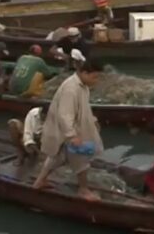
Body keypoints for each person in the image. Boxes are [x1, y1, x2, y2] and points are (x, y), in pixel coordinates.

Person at [33, 59, 105, 201]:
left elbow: (83, 108)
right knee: (81, 159)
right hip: (66, 129)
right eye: (94, 77)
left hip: (69, 128)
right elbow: (65, 115)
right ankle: (83, 190)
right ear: (84, 73)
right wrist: (72, 135)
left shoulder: (82, 86)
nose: (96, 80)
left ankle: (39, 181)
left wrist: (93, 121)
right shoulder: (71, 89)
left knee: (56, 156)